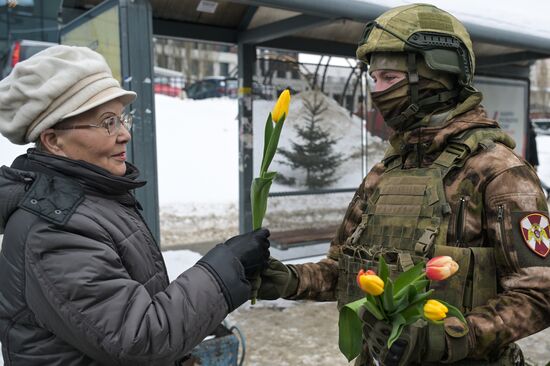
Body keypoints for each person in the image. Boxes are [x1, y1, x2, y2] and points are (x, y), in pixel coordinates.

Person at [255, 4, 550, 366]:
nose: (377, 92)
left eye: (389, 79)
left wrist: (454, 336)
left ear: (437, 76)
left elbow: (538, 294)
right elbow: (344, 270)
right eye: (374, 79)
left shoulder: (499, 172)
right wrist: (288, 280)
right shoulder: (388, 170)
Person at [0, 45, 270, 365]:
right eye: (107, 122)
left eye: (122, 119)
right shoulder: (55, 229)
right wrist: (224, 271)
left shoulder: (95, 199)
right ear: (53, 140)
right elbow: (138, 339)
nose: (124, 134)